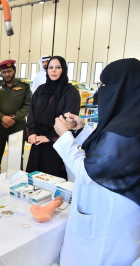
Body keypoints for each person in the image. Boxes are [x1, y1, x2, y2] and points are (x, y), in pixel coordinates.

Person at [53, 58, 140, 266]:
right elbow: (105, 153)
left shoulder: (125, 131)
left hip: (108, 215)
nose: (100, 92)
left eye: (104, 85)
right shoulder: (129, 120)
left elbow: (88, 171)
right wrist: (82, 130)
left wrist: (65, 137)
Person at [26, 56, 80, 179]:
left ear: (64, 70)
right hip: (37, 142)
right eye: (50, 67)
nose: (53, 70)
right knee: (34, 180)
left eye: (57, 67)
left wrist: (48, 137)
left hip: (56, 145)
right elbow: (31, 113)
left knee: (52, 181)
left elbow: (69, 120)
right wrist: (32, 133)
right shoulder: (40, 90)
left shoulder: (71, 93)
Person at [0, 60, 31, 170]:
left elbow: (28, 105)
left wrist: (14, 119)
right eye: (4, 72)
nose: (7, 74)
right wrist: (3, 117)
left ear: (14, 71)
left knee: (16, 156)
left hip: (17, 125)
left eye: (9, 71)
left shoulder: (24, 86)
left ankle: (16, 180)